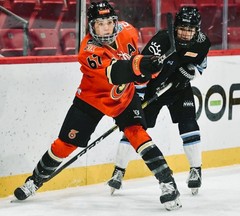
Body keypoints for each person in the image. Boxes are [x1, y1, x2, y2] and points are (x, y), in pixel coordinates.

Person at [14, 1, 182, 211]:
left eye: (109, 23)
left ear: (116, 22)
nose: (106, 28)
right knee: (64, 144)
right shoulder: (87, 50)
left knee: (136, 133)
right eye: (100, 24)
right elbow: (116, 73)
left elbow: (135, 73)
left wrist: (150, 69)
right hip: (90, 100)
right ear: (91, 27)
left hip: (123, 99)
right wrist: (140, 65)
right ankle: (34, 181)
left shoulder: (129, 31)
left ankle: (168, 183)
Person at [107, 6, 211, 196]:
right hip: (152, 90)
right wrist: (137, 98)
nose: (186, 34)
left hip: (179, 90)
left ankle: (196, 170)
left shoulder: (203, 43)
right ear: (175, 27)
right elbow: (140, 71)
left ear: (197, 30)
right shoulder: (162, 41)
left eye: (190, 30)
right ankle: (118, 171)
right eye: (182, 28)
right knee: (135, 128)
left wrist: (191, 73)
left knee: (188, 123)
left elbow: (200, 66)